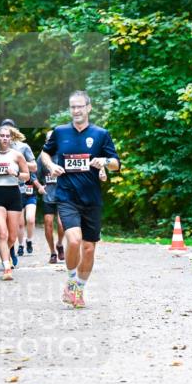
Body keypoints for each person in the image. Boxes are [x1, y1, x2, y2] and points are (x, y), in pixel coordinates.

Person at [40, 91, 120, 307]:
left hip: (92, 199)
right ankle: (71, 281)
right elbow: (45, 153)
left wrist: (104, 161)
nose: (76, 111)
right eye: (72, 107)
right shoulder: (60, 132)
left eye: (80, 107)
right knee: (74, 240)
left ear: (88, 108)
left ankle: (78, 289)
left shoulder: (101, 134)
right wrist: (51, 165)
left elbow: (116, 164)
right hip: (67, 196)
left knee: (89, 248)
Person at [0, 125, 30, 280]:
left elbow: (27, 176)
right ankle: (6, 268)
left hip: (14, 194)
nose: (4, 138)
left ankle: (6, 254)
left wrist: (16, 173)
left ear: (11, 138)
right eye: (2, 136)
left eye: (7, 136)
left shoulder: (17, 156)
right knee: (2, 233)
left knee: (12, 237)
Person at [0, 119, 36, 266]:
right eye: (2, 134)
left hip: (19, 188)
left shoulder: (23, 147)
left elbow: (34, 167)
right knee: (3, 230)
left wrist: (16, 164)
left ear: (13, 133)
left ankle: (12, 248)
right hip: (0, 189)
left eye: (8, 133)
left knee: (16, 227)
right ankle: (8, 255)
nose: (5, 137)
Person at [37, 131, 65, 264]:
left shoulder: (63, 155)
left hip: (62, 194)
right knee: (48, 223)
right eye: (48, 139)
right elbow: (33, 175)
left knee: (61, 223)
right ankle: (53, 252)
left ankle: (60, 244)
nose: (51, 141)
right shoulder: (42, 157)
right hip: (48, 195)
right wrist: (39, 186)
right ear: (45, 142)